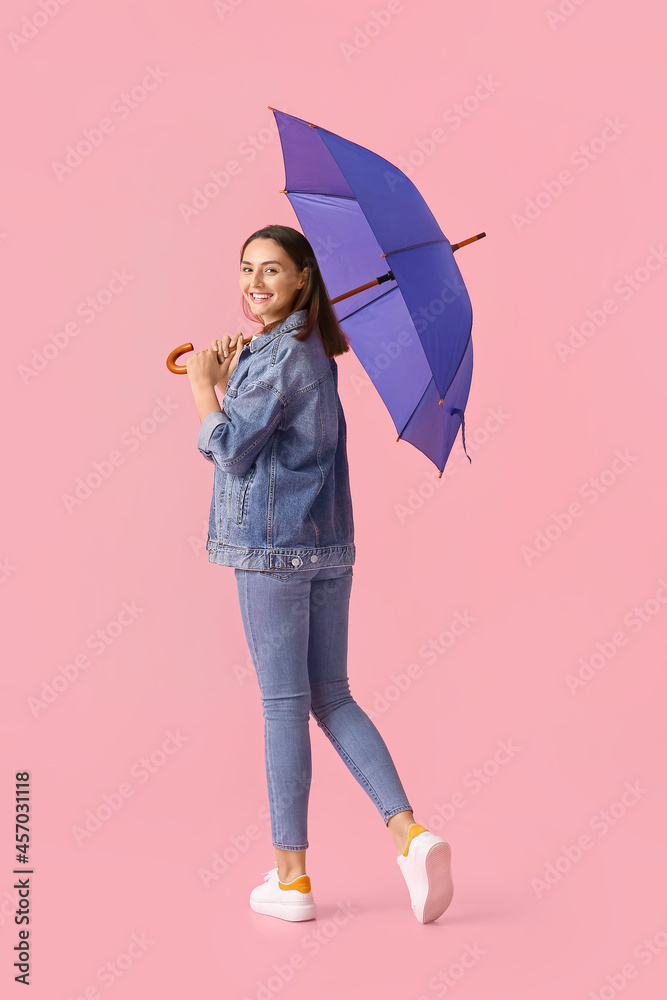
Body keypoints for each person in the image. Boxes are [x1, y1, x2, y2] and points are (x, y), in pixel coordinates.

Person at [185, 224, 453, 924]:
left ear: (304, 278)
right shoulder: (306, 350)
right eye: (246, 269)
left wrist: (205, 389)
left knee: (283, 705)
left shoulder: (280, 357)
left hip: (271, 549)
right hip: (327, 546)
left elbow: (233, 451)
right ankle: (409, 832)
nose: (255, 283)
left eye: (272, 271)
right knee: (331, 696)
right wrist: (237, 367)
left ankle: (291, 880)